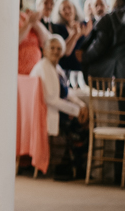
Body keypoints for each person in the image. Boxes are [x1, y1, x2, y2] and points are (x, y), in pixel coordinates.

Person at [82, 0, 125, 183]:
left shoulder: (113, 17)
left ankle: (119, 174)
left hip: (123, 79)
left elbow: (97, 49)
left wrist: (83, 58)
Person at [31, 35, 89, 180]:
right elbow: (52, 100)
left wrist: (81, 105)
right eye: (52, 48)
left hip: (59, 109)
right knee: (82, 125)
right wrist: (76, 112)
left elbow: (67, 92)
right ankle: (69, 165)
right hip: (48, 112)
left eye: (59, 49)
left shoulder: (56, 67)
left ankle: (72, 164)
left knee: (85, 119)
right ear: (44, 50)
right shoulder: (44, 68)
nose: (56, 51)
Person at [51, 0, 92, 80]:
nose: (67, 11)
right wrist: (75, 35)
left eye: (69, 7)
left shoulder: (84, 24)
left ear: (74, 8)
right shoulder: (57, 28)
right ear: (60, 12)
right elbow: (65, 51)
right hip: (65, 71)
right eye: (63, 9)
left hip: (82, 71)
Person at [18, 0, 49, 75]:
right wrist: (28, 24)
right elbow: (15, 41)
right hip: (17, 72)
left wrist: (34, 22)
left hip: (35, 71)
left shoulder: (25, 17)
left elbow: (46, 42)